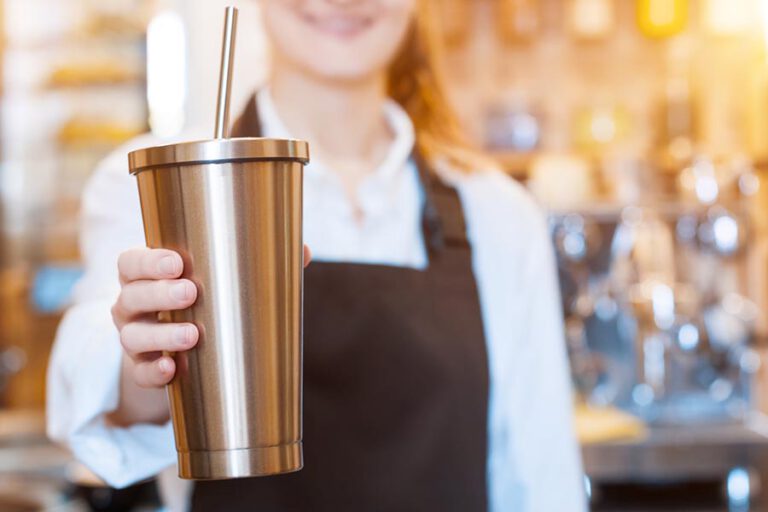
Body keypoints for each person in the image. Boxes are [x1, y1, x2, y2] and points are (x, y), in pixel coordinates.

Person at [47, 0, 585, 510]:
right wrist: (145, 359)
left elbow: (541, 476)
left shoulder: (499, 214)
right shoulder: (163, 185)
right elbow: (86, 379)